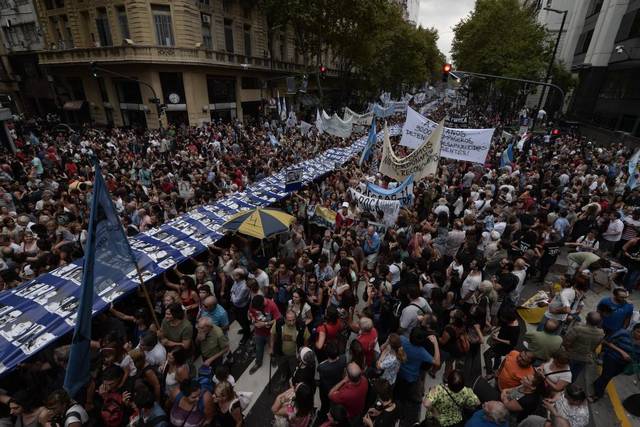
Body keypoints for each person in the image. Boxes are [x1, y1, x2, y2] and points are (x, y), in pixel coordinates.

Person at [592, 322, 640, 400]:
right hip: (612, 358)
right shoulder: (623, 333)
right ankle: (597, 394)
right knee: (606, 376)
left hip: (624, 364)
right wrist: (622, 352)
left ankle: (596, 384)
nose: (639, 335)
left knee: (608, 376)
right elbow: (606, 341)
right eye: (638, 331)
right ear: (633, 330)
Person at [562, 311, 604, 381]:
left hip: (572, 355)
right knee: (575, 373)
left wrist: (567, 350)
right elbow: (595, 347)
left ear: (586, 318)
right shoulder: (601, 333)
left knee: (565, 371)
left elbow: (566, 342)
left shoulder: (577, 329)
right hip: (585, 357)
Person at [271, 309, 310, 382]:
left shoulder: (301, 326)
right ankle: (283, 375)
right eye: (289, 320)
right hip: (280, 353)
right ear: (285, 319)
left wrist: (303, 352)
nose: (292, 323)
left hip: (294, 355)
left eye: (293, 320)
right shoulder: (278, 323)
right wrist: (271, 347)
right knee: (282, 366)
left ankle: (293, 378)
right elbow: (273, 334)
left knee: (294, 368)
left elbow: (306, 339)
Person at [248, 294, 281, 374]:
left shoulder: (272, 305)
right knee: (259, 348)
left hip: (270, 333)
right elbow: (250, 313)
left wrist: (265, 324)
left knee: (271, 347)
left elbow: (278, 319)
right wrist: (252, 319)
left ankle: (273, 358)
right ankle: (258, 363)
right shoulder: (253, 304)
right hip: (258, 332)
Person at [483, 309, 519, 376]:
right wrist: (495, 330)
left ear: (508, 320)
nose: (502, 319)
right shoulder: (508, 322)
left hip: (503, 347)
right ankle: (495, 368)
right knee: (497, 356)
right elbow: (502, 326)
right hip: (499, 343)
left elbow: (512, 343)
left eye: (503, 318)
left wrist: (497, 339)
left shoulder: (514, 329)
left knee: (487, 355)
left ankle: (489, 373)